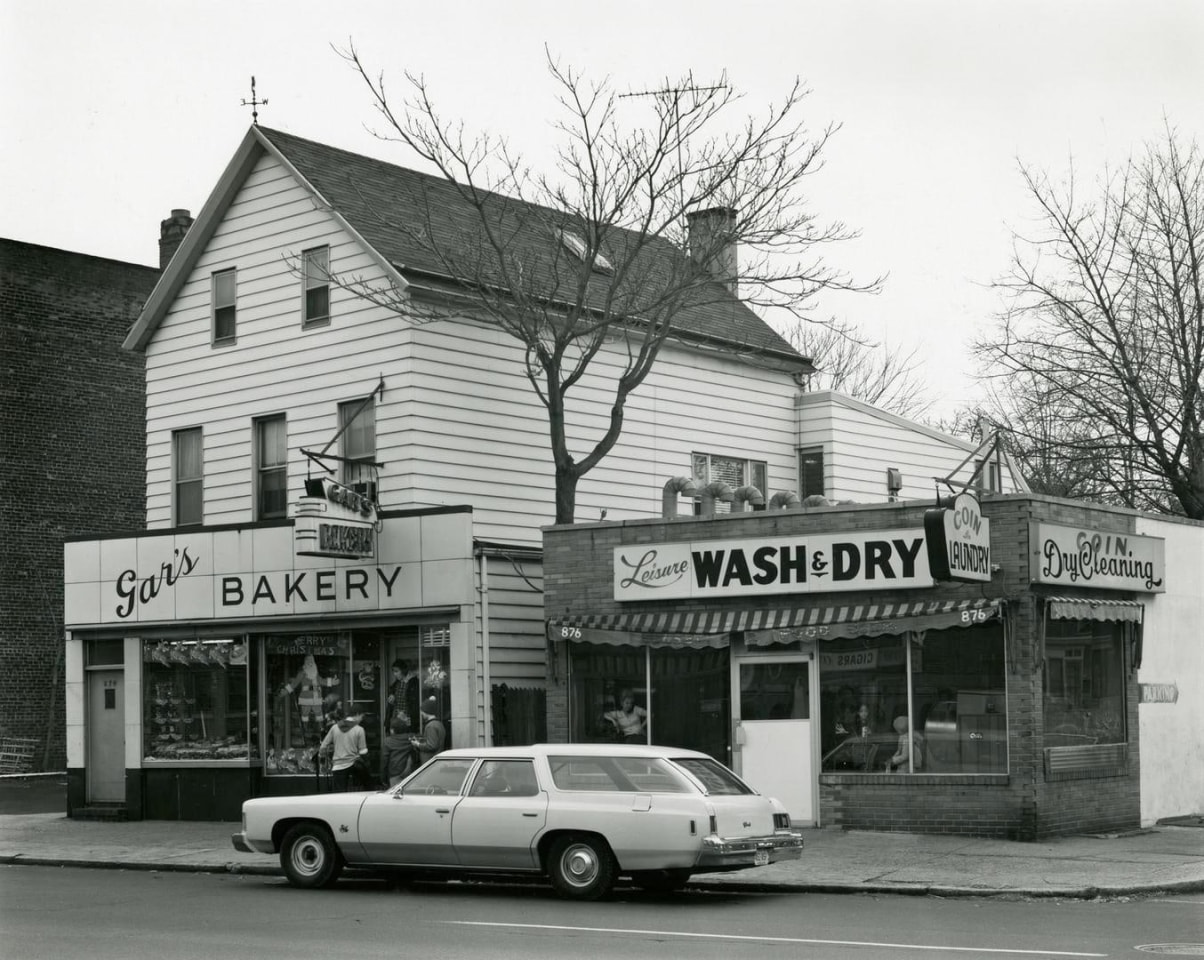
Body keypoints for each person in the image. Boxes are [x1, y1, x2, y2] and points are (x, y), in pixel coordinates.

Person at [319, 708, 370, 792]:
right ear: (357, 714)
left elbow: (323, 747)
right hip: (355, 765)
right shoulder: (359, 729)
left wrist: (322, 764)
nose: (361, 719)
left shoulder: (335, 728)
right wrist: (367, 764)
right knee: (366, 790)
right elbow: (363, 752)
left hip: (338, 767)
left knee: (339, 797)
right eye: (361, 716)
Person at [410, 695, 446, 765]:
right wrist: (420, 740)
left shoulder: (430, 726)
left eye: (422, 711)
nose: (421, 714)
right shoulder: (438, 723)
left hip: (430, 762)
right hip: (434, 761)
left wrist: (417, 744)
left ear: (427, 711)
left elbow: (431, 746)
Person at [380, 714, 414, 787]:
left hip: (394, 773)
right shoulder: (411, 738)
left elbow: (384, 761)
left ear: (392, 730)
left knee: (395, 795)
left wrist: (383, 778)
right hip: (410, 772)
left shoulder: (388, 741)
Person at [386, 658, 419, 730]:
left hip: (407, 719)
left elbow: (414, 704)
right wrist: (391, 696)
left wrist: (411, 720)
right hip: (395, 718)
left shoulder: (413, 684)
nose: (395, 674)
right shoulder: (396, 684)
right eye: (394, 671)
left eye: (396, 671)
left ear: (403, 671)